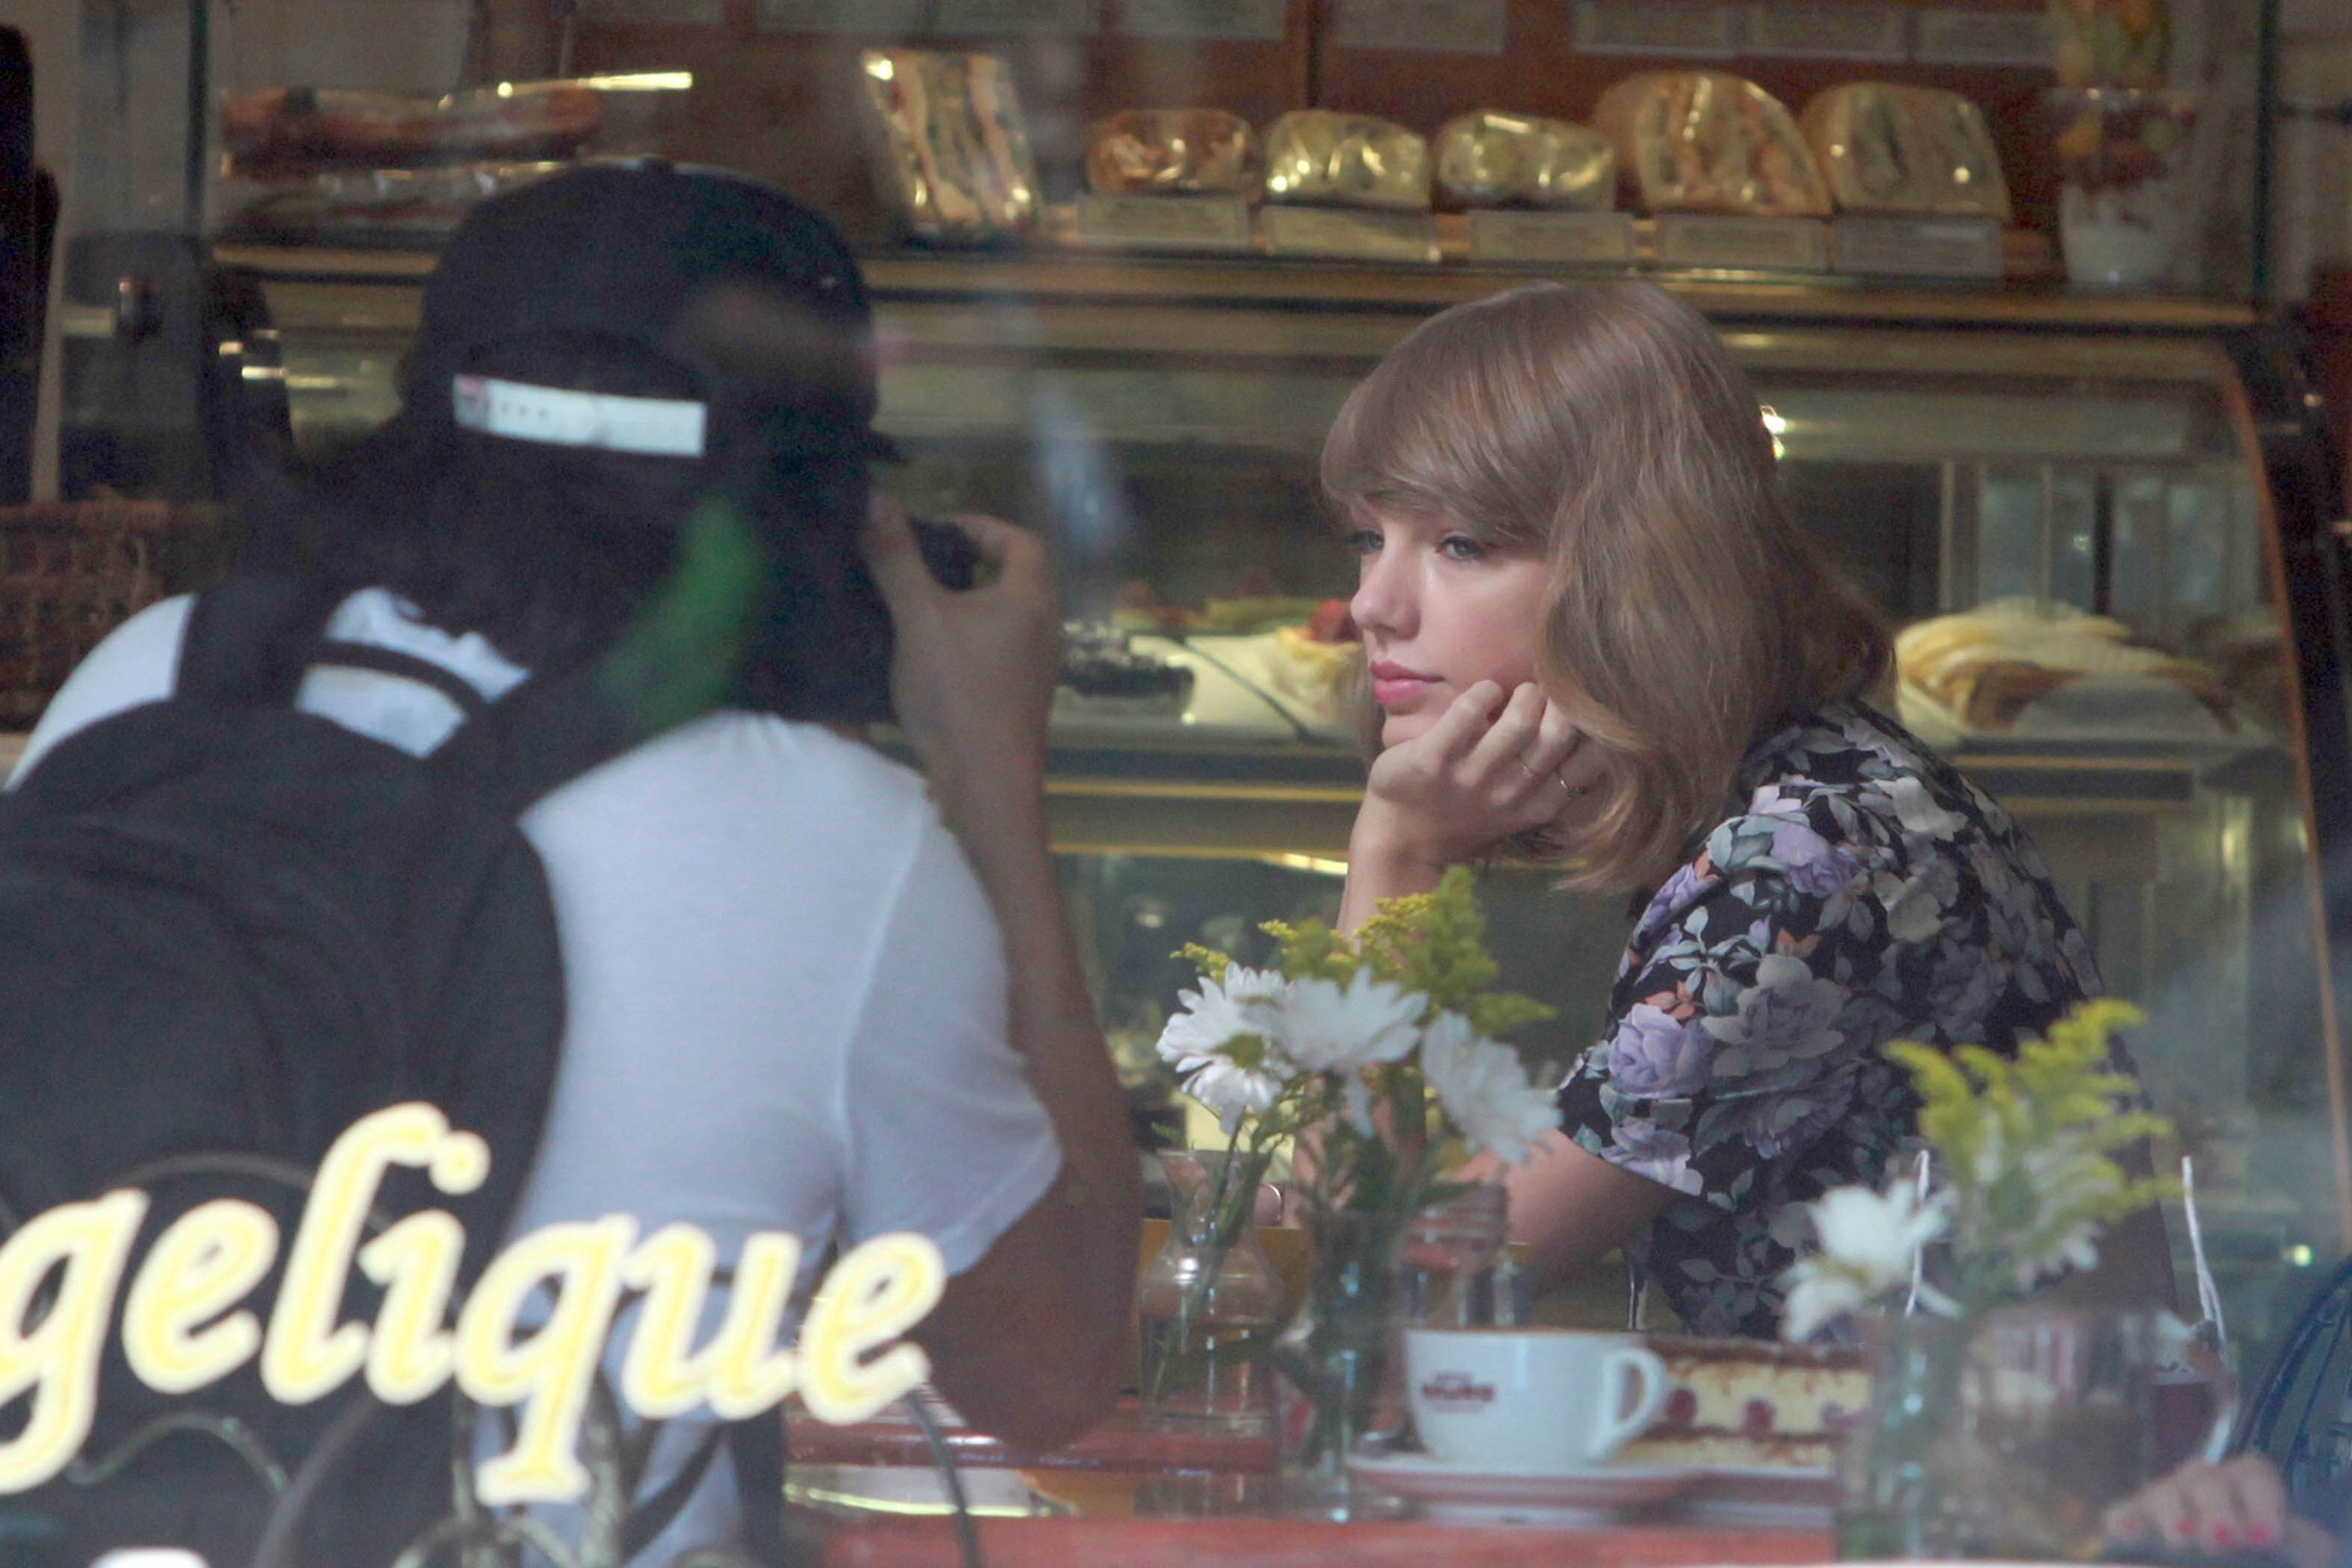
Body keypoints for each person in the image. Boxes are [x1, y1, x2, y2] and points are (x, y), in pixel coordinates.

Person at [13, 164, 1138, 1555]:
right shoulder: (838, 845)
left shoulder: (156, 676)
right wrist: (993, 778)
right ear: (827, 511)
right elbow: (1050, 1375)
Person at [1325, 279, 2168, 1337]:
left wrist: (1398, 856)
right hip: (1880, 1438)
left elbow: (1391, 1277)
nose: (1373, 604)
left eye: (1459, 544)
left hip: (1983, 1449)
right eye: (1369, 538)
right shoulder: (1789, 793)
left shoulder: (1810, 854)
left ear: (1636, 569)